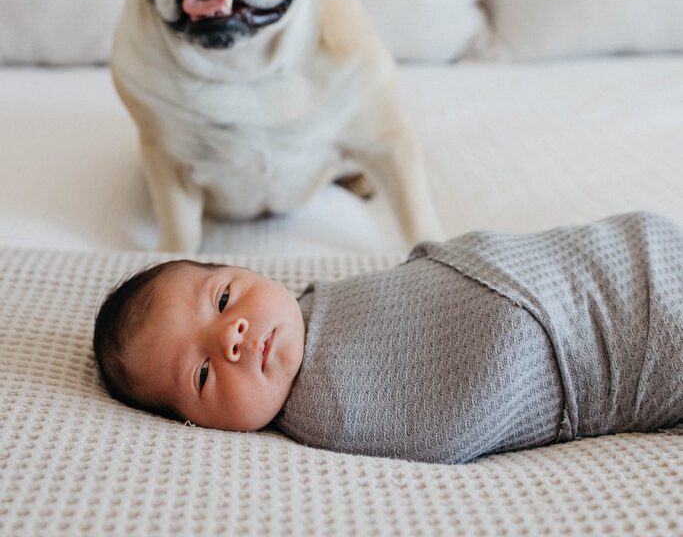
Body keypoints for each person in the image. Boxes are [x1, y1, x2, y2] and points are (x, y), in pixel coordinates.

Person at [93, 212, 683, 464]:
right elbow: (458, 417)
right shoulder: (330, 412)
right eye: (201, 374)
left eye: (223, 298)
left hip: (607, 255)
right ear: (195, 424)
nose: (233, 336)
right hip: (616, 344)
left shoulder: (314, 300)